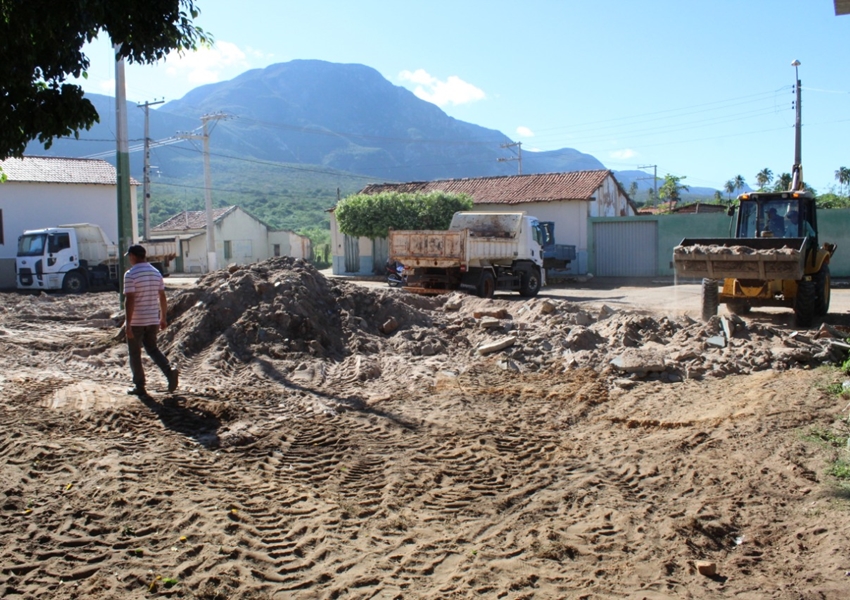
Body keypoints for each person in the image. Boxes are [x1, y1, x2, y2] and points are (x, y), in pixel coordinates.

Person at [124, 244, 178, 397]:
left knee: (134, 353)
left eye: (129, 256)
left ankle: (139, 386)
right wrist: (163, 318)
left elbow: (129, 300)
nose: (129, 259)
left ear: (133, 256)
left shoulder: (130, 274)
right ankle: (169, 372)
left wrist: (127, 324)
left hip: (137, 321)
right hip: (152, 318)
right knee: (152, 349)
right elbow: (162, 296)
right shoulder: (156, 273)